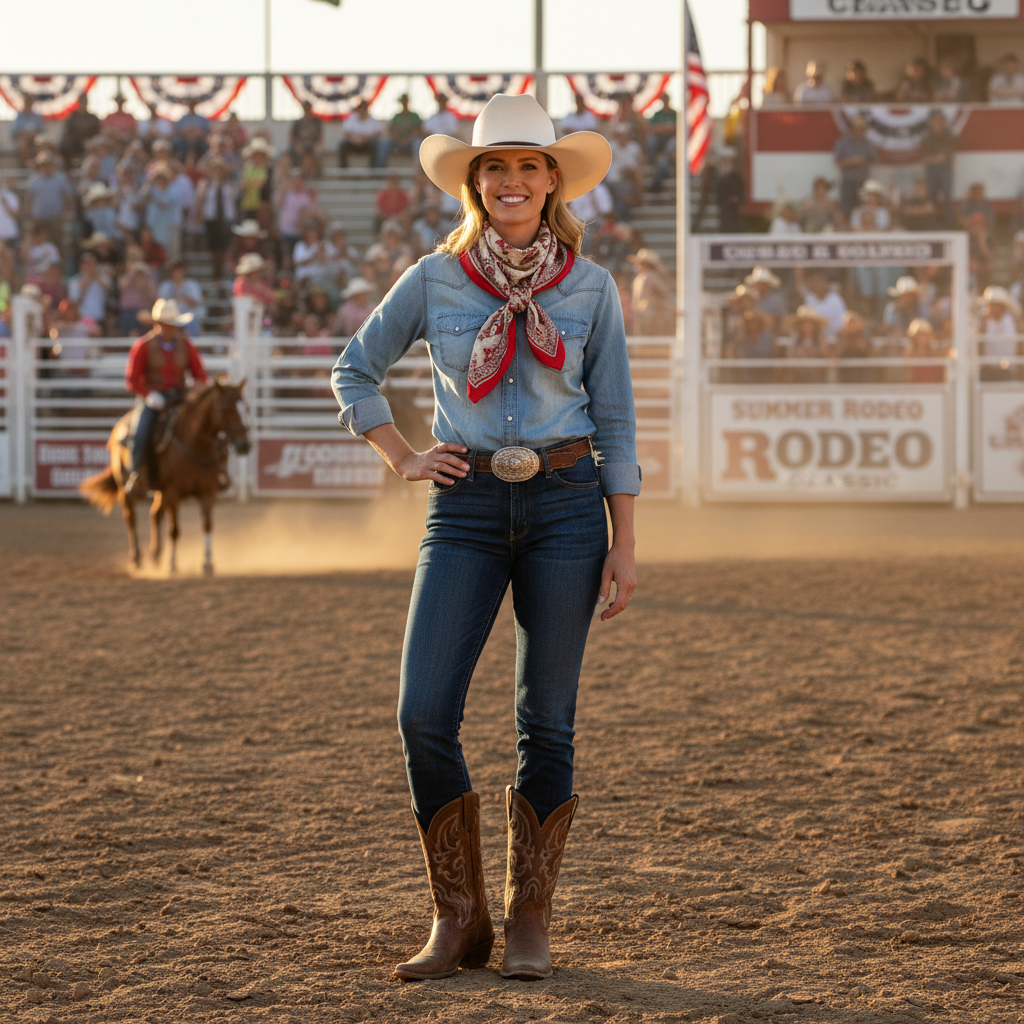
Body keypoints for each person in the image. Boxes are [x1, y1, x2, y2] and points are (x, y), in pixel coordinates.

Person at [332, 93, 637, 982]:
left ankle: (529, 918)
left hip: (569, 505)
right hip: (463, 506)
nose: (511, 180)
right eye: (494, 167)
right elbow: (354, 365)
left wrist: (625, 542)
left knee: (547, 720)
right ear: (475, 183)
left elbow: (615, 420)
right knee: (422, 711)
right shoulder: (433, 278)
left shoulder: (590, 286)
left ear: (552, 183)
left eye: (528, 166)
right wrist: (398, 454)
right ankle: (458, 916)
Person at [123, 297, 207, 497]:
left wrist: (195, 386)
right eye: (168, 325)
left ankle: (210, 472)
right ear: (158, 325)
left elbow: (200, 374)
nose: (172, 329)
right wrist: (149, 394)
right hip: (153, 399)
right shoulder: (143, 346)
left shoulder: (185, 345)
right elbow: (132, 380)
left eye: (174, 325)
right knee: (141, 431)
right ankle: (136, 474)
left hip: (179, 397)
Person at [832, 116, 876, 218]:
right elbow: (837, 162)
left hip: (863, 183)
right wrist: (852, 161)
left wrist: (863, 160)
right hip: (848, 182)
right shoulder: (843, 143)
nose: (861, 131)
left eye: (862, 129)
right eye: (858, 128)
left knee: (863, 209)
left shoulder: (867, 144)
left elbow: (874, 161)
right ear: (853, 129)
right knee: (846, 210)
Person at [26, 151, 74, 243]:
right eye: (43, 164)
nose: (46, 167)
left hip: (56, 217)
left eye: (48, 164)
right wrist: (29, 214)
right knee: (36, 242)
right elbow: (29, 198)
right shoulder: (34, 180)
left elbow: (67, 197)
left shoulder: (61, 178)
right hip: (38, 217)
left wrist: (66, 212)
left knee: (58, 241)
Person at [627, 248, 673, 335]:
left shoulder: (647, 277)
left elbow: (641, 298)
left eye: (639, 264)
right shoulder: (649, 277)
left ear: (646, 265)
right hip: (650, 315)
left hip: (651, 316)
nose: (636, 266)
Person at [920, 111, 955, 223]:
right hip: (932, 170)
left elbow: (949, 155)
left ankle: (948, 223)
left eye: (940, 120)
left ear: (944, 122)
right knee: (931, 196)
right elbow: (924, 156)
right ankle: (931, 223)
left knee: (947, 197)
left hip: (945, 170)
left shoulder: (949, 135)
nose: (937, 123)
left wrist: (936, 158)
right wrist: (938, 158)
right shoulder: (927, 137)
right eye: (935, 121)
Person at [158, 261, 205, 338]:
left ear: (184, 272)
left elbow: (196, 304)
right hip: (170, 315)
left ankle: (193, 343)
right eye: (175, 271)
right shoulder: (165, 286)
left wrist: (184, 297)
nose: (177, 274)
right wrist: (173, 297)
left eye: (179, 271)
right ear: (171, 273)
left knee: (194, 319)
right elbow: (161, 305)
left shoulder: (192, 285)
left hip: (188, 312)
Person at [379, 94, 424, 167]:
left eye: (405, 100)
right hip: (397, 141)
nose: (404, 102)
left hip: (410, 141)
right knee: (384, 143)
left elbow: (417, 131)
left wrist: (407, 139)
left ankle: (419, 169)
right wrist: (398, 139)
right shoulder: (396, 116)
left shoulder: (414, 116)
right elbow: (391, 130)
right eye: (403, 101)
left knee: (418, 143)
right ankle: (380, 169)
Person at [338, 99, 384, 168]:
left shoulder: (373, 120)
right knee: (343, 145)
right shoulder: (351, 118)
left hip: (367, 144)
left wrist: (365, 139)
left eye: (364, 108)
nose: (362, 110)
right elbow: (346, 133)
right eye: (360, 107)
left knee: (377, 145)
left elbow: (378, 133)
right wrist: (354, 139)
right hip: (353, 143)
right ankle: (343, 172)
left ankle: (374, 173)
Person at [59, 95, 101, 167]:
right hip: (74, 141)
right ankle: (68, 167)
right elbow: (68, 130)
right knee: (64, 144)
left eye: (84, 102)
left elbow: (97, 132)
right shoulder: (73, 116)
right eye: (82, 102)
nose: (83, 104)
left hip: (89, 141)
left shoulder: (93, 117)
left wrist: (90, 141)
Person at [289, 100, 323, 177]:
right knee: (296, 153)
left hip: (312, 145)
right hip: (300, 145)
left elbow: (319, 136)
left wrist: (317, 146)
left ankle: (315, 174)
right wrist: (297, 145)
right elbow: (292, 136)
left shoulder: (316, 122)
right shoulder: (298, 122)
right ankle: (298, 175)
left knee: (316, 154)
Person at [12, 98, 44, 167]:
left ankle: (41, 165)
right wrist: (27, 134)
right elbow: (17, 130)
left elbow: (41, 129)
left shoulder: (37, 116)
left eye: (30, 103)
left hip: (35, 138)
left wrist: (33, 134)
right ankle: (28, 165)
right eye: (27, 103)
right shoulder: (19, 115)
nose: (28, 105)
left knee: (43, 144)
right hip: (23, 138)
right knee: (23, 144)